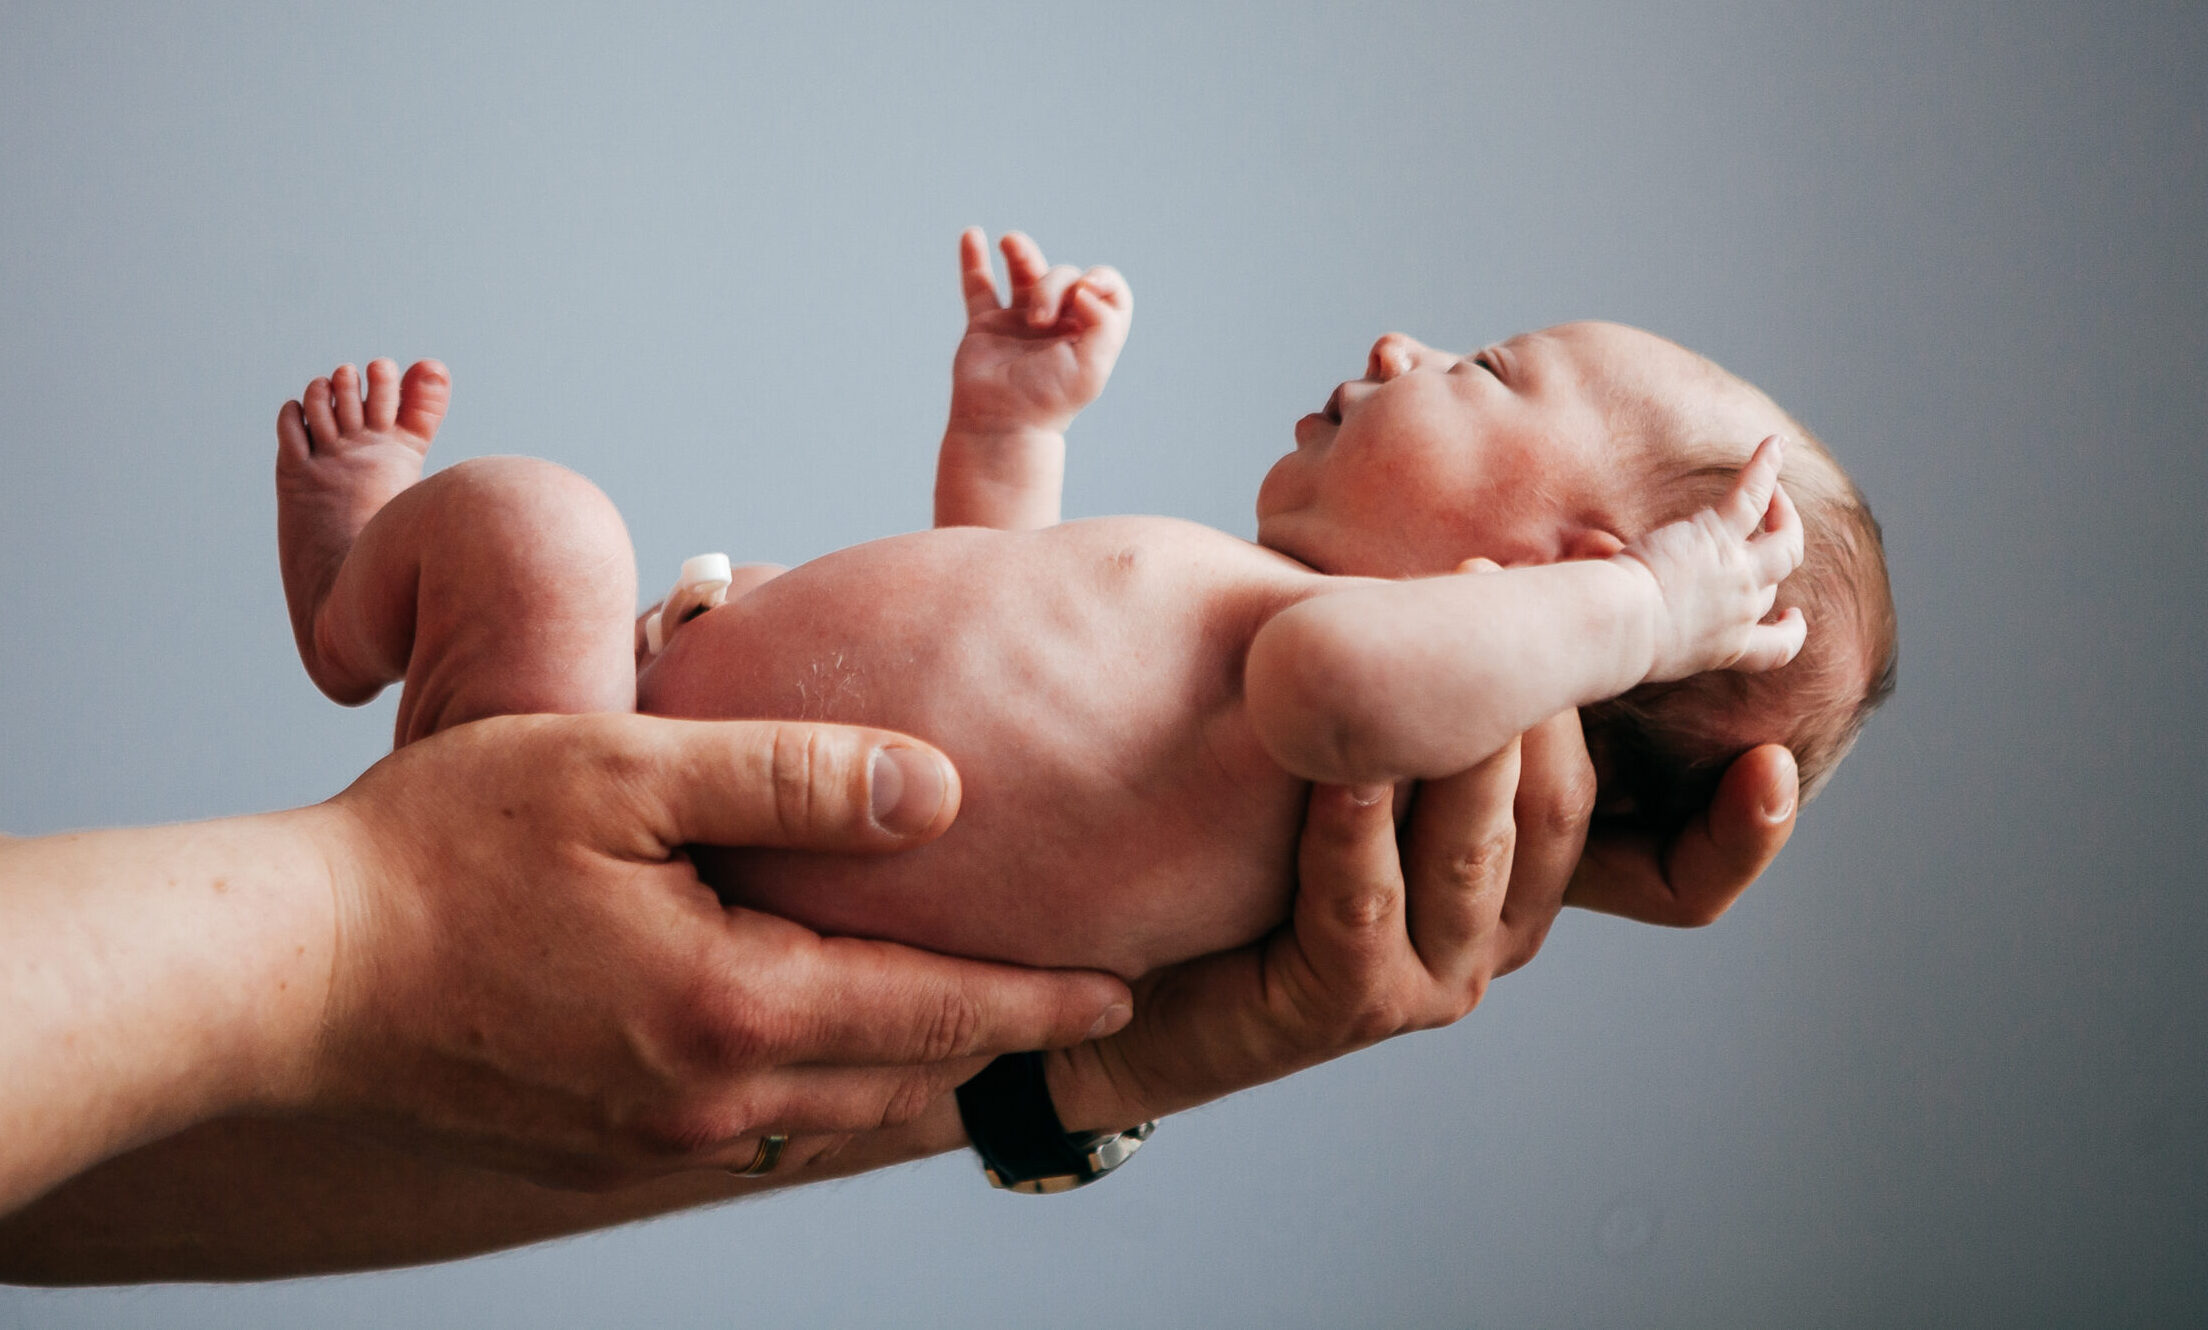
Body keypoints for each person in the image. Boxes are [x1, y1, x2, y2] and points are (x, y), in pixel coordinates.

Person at [262, 229, 1894, 980]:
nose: (1404, 344)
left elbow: (1338, 688)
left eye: (1484, 370)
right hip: (618, 768)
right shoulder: (1240, 653)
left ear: (1567, 587)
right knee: (552, 541)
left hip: (612, 826)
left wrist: (1662, 615)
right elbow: (984, 614)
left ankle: (353, 606)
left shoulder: (1326, 700)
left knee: (544, 526)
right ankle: (360, 614)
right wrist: (1010, 428)